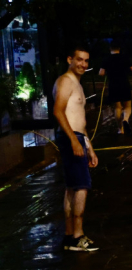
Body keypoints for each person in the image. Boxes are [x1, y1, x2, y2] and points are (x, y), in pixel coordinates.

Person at [53, 45, 99, 252]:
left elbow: (79, 120)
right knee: (81, 185)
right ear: (69, 59)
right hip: (71, 137)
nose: (83, 64)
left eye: (86, 61)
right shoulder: (65, 81)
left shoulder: (76, 84)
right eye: (79, 59)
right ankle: (78, 235)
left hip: (78, 137)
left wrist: (89, 148)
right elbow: (58, 111)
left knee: (72, 186)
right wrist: (73, 140)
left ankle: (70, 235)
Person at [98, 42, 132, 135]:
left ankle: (120, 129)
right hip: (124, 84)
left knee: (117, 107)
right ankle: (125, 119)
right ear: (119, 49)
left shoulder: (106, 59)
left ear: (110, 49)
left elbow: (101, 73)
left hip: (113, 85)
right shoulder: (124, 58)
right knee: (127, 106)